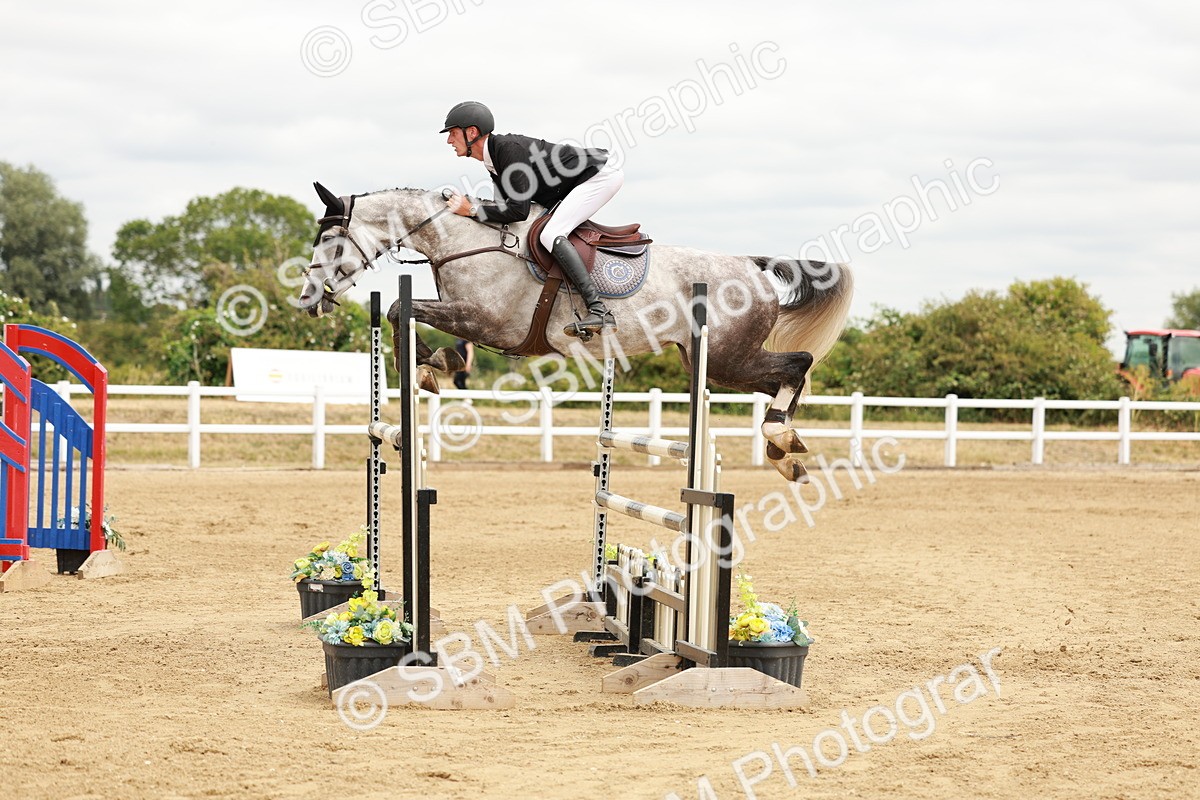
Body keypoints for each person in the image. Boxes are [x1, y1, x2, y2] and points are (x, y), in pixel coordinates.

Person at [440, 100, 622, 338]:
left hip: (599, 176)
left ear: (472, 132)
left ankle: (599, 310)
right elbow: (506, 211)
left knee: (550, 234)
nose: (449, 141)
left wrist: (472, 210)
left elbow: (518, 211)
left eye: (453, 133)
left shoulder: (507, 150)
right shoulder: (493, 160)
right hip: (576, 184)